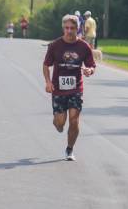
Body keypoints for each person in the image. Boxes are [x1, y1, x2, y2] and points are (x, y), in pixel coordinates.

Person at [43, 14, 96, 161]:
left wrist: (89, 70)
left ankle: (69, 149)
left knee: (74, 120)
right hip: (58, 89)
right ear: (63, 28)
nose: (69, 31)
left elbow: (91, 65)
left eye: (72, 28)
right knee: (60, 123)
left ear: (77, 28)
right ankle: (57, 123)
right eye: (66, 28)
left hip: (76, 89)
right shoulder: (55, 45)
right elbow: (46, 65)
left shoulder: (84, 46)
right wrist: (48, 82)